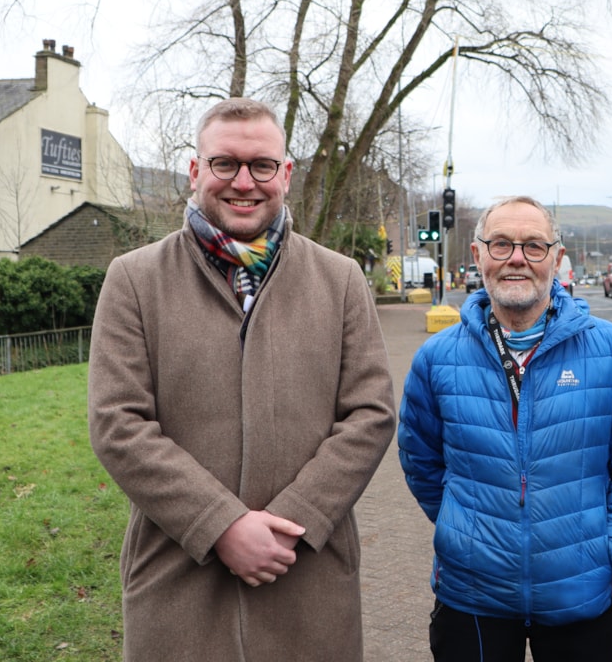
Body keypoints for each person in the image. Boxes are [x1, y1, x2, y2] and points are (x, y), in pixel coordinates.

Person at [88, 97, 396, 662]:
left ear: (286, 173)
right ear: (195, 170)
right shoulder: (134, 279)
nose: (243, 182)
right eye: (225, 164)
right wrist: (221, 525)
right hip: (178, 582)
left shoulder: (341, 279)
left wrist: (292, 523)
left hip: (307, 576)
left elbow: (370, 413)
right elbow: (118, 424)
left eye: (261, 165)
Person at [398, 195, 612, 662]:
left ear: (557, 258)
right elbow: (421, 460)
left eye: (533, 246)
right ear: (478, 255)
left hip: (580, 595)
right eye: (500, 244)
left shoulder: (608, 348)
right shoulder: (436, 357)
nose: (517, 258)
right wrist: (465, 532)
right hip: (472, 598)